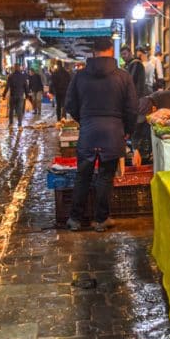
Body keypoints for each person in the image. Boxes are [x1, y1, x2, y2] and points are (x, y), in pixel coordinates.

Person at [65, 37, 137, 232]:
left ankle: (75, 219)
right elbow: (132, 108)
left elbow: (70, 104)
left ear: (93, 52)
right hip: (113, 132)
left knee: (83, 176)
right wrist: (128, 130)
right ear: (111, 52)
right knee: (105, 176)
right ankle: (100, 220)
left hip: (88, 131)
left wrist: (84, 119)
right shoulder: (123, 76)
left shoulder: (80, 76)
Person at [134, 91, 170, 163]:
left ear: (154, 109)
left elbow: (168, 132)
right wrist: (136, 150)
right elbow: (137, 130)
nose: (145, 120)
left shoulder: (167, 104)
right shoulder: (143, 105)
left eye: (147, 117)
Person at [3, 63, 28, 129]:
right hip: (20, 95)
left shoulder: (11, 76)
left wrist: (4, 94)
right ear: (19, 68)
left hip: (13, 95)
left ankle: (11, 124)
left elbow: (7, 86)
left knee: (11, 110)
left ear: (14, 68)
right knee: (19, 110)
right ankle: (19, 125)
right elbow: (26, 86)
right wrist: (27, 95)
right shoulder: (23, 76)